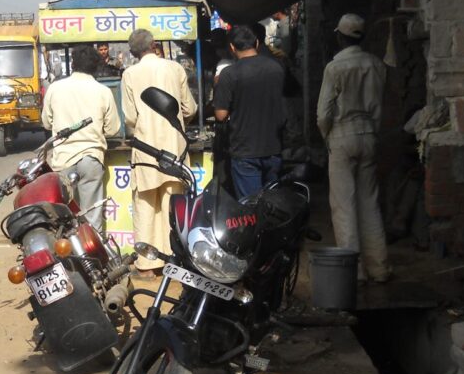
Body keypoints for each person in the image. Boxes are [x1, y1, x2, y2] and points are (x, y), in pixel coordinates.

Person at [317, 13, 391, 283]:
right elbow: (381, 107)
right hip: (369, 134)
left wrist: (326, 136)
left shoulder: (335, 68)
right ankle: (379, 267)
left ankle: (355, 272)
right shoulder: (375, 64)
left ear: (340, 36)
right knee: (369, 203)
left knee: (344, 206)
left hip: (341, 136)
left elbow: (324, 113)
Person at [121, 28, 196, 278]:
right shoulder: (174, 69)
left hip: (145, 148)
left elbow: (130, 117)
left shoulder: (129, 74)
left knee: (145, 205)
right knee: (172, 204)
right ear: (154, 45)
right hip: (174, 146)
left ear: (133, 52)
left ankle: (147, 265)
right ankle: (173, 261)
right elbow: (189, 108)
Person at [41, 45, 121, 232]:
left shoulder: (55, 88)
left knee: (64, 216)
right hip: (91, 158)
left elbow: (46, 123)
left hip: (63, 160)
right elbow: (113, 129)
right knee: (92, 217)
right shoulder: (103, 91)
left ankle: (68, 256)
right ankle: (93, 257)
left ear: (73, 64)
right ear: (96, 67)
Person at [213, 25, 287, 200]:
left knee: (250, 207)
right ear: (257, 42)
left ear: (232, 47)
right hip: (273, 146)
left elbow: (221, 114)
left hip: (244, 149)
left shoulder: (229, 74)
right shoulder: (276, 67)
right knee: (271, 204)